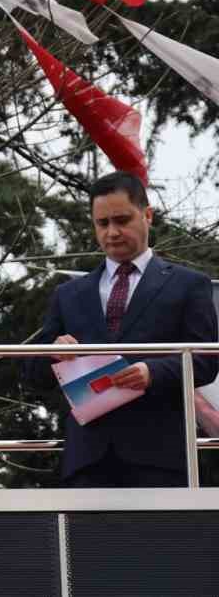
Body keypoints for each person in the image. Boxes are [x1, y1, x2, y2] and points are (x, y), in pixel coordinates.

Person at [27, 171, 219, 487]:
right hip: (87, 459)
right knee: (87, 540)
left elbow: (206, 361)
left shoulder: (188, 285)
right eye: (102, 223)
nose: (112, 232)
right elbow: (32, 373)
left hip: (160, 456)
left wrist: (153, 372)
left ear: (147, 215)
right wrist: (52, 353)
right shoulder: (69, 293)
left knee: (157, 539)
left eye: (122, 220)